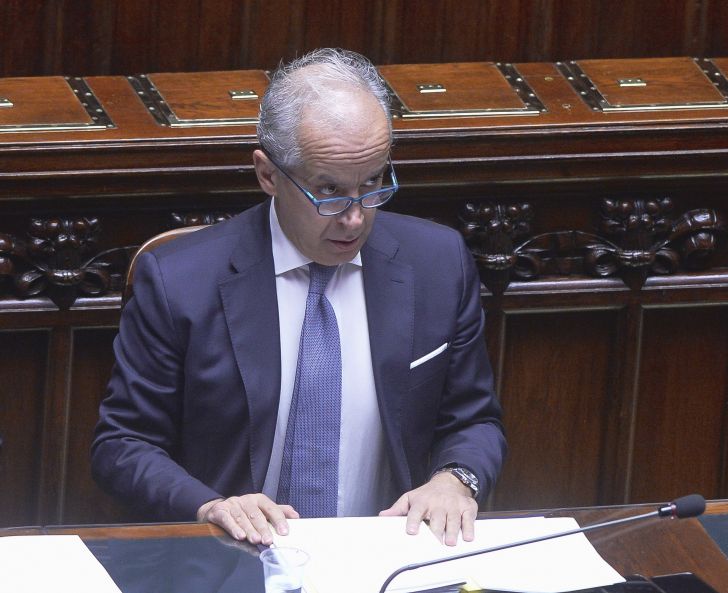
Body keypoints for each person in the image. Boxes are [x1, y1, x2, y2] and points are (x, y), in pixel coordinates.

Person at [91, 48, 505, 548]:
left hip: (389, 558)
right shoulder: (179, 280)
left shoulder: (437, 263)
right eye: (328, 191)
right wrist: (210, 505)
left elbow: (474, 419)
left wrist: (455, 480)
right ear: (268, 174)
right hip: (231, 560)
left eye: (372, 183)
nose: (355, 217)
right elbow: (123, 445)